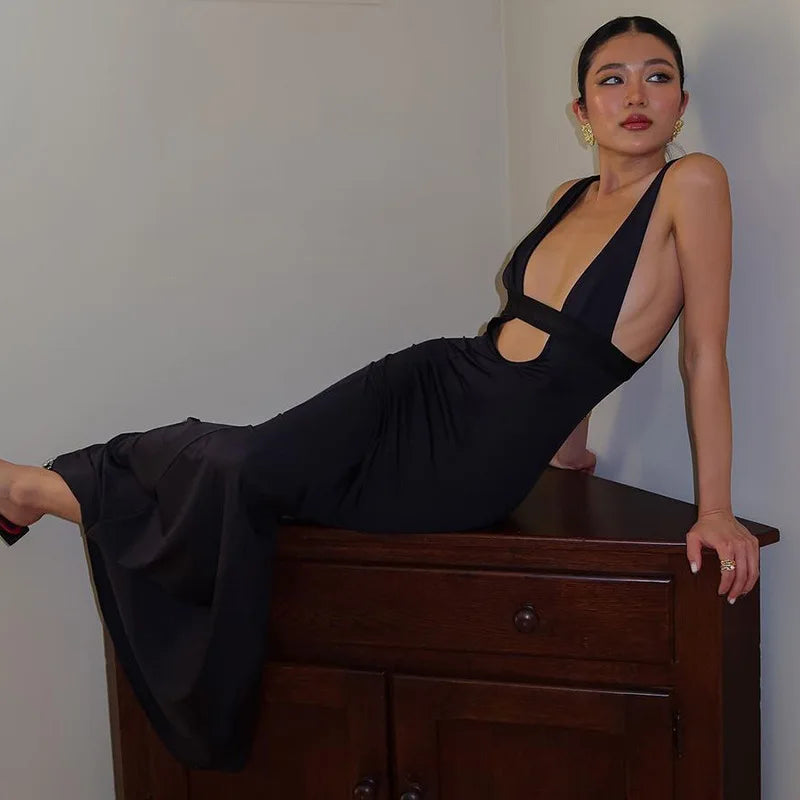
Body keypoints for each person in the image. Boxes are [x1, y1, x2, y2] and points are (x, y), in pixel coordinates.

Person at [0, 14, 761, 772]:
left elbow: (702, 353)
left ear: (682, 102)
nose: (636, 95)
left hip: (471, 458)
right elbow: (555, 336)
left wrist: (716, 508)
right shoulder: (569, 193)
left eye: (657, 76)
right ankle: (45, 488)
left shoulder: (692, 183)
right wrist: (571, 448)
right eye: (611, 79)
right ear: (581, 111)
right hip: (426, 378)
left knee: (245, 471)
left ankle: (35, 492)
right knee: (237, 449)